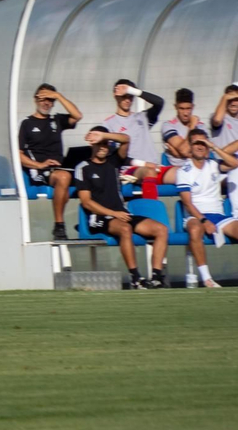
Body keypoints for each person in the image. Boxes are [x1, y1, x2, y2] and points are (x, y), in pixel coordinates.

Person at [76, 132, 168, 288]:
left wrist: (104, 135)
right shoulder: (83, 168)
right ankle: (135, 278)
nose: (103, 147)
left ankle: (156, 277)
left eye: (105, 143)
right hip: (99, 217)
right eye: (99, 143)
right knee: (125, 229)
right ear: (92, 144)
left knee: (161, 229)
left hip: (122, 214)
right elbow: (86, 202)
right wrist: (113, 213)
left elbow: (127, 139)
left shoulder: (114, 162)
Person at [18, 83, 82, 240]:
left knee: (90, 176)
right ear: (35, 100)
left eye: (50, 100)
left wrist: (59, 96)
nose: (46, 103)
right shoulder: (27, 124)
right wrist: (39, 165)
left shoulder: (56, 120)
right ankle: (59, 225)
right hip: (40, 170)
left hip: (61, 168)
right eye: (43, 99)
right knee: (64, 178)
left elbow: (77, 116)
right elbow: (18, 155)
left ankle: (92, 223)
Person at [175, 131, 226, 289]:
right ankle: (207, 278)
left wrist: (213, 147)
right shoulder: (183, 172)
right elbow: (188, 203)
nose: (199, 146)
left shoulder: (214, 164)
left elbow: (234, 163)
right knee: (195, 229)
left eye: (203, 143)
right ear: (190, 146)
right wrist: (204, 220)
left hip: (218, 214)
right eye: (196, 143)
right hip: (196, 216)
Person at [97, 78, 165, 184]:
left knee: (178, 173)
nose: (128, 100)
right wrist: (143, 164)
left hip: (155, 166)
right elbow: (114, 156)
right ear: (115, 96)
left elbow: (160, 103)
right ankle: (151, 201)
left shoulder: (142, 117)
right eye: (124, 96)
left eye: (130, 96)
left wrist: (133, 91)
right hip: (131, 170)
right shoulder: (108, 124)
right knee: (149, 173)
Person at [160, 88, 207, 161]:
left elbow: (206, 154)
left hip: (197, 168)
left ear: (193, 107)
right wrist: (192, 126)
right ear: (175, 107)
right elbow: (184, 151)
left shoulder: (201, 126)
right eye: (181, 109)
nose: (185, 113)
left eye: (188, 108)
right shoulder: (168, 125)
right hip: (176, 169)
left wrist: (178, 155)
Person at [210, 84, 238, 153]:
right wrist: (225, 97)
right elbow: (217, 120)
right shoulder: (219, 117)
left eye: (236, 99)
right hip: (220, 160)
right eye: (230, 99)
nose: (233, 103)